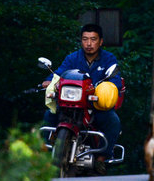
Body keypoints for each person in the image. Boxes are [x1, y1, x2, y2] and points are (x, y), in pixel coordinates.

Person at [42, 23, 122, 168]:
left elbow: (115, 80)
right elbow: (59, 73)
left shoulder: (109, 59)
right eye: (85, 39)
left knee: (112, 120)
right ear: (81, 41)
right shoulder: (73, 58)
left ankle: (102, 159)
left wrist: (107, 87)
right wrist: (49, 80)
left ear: (101, 41)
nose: (89, 43)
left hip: (95, 104)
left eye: (93, 39)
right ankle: (42, 155)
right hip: (72, 103)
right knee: (50, 114)